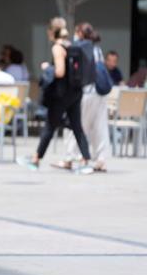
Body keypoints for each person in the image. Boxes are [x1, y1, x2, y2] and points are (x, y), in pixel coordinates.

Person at [18, 17, 94, 174]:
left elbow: (60, 71)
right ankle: (86, 161)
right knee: (77, 126)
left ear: (52, 31)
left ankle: (36, 159)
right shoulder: (71, 45)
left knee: (50, 126)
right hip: (75, 91)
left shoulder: (57, 47)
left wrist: (47, 67)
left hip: (61, 94)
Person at [60, 23, 110, 172]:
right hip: (99, 93)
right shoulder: (97, 49)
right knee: (99, 127)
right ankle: (101, 160)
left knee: (75, 125)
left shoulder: (78, 47)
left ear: (80, 33)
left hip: (85, 91)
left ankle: (70, 157)